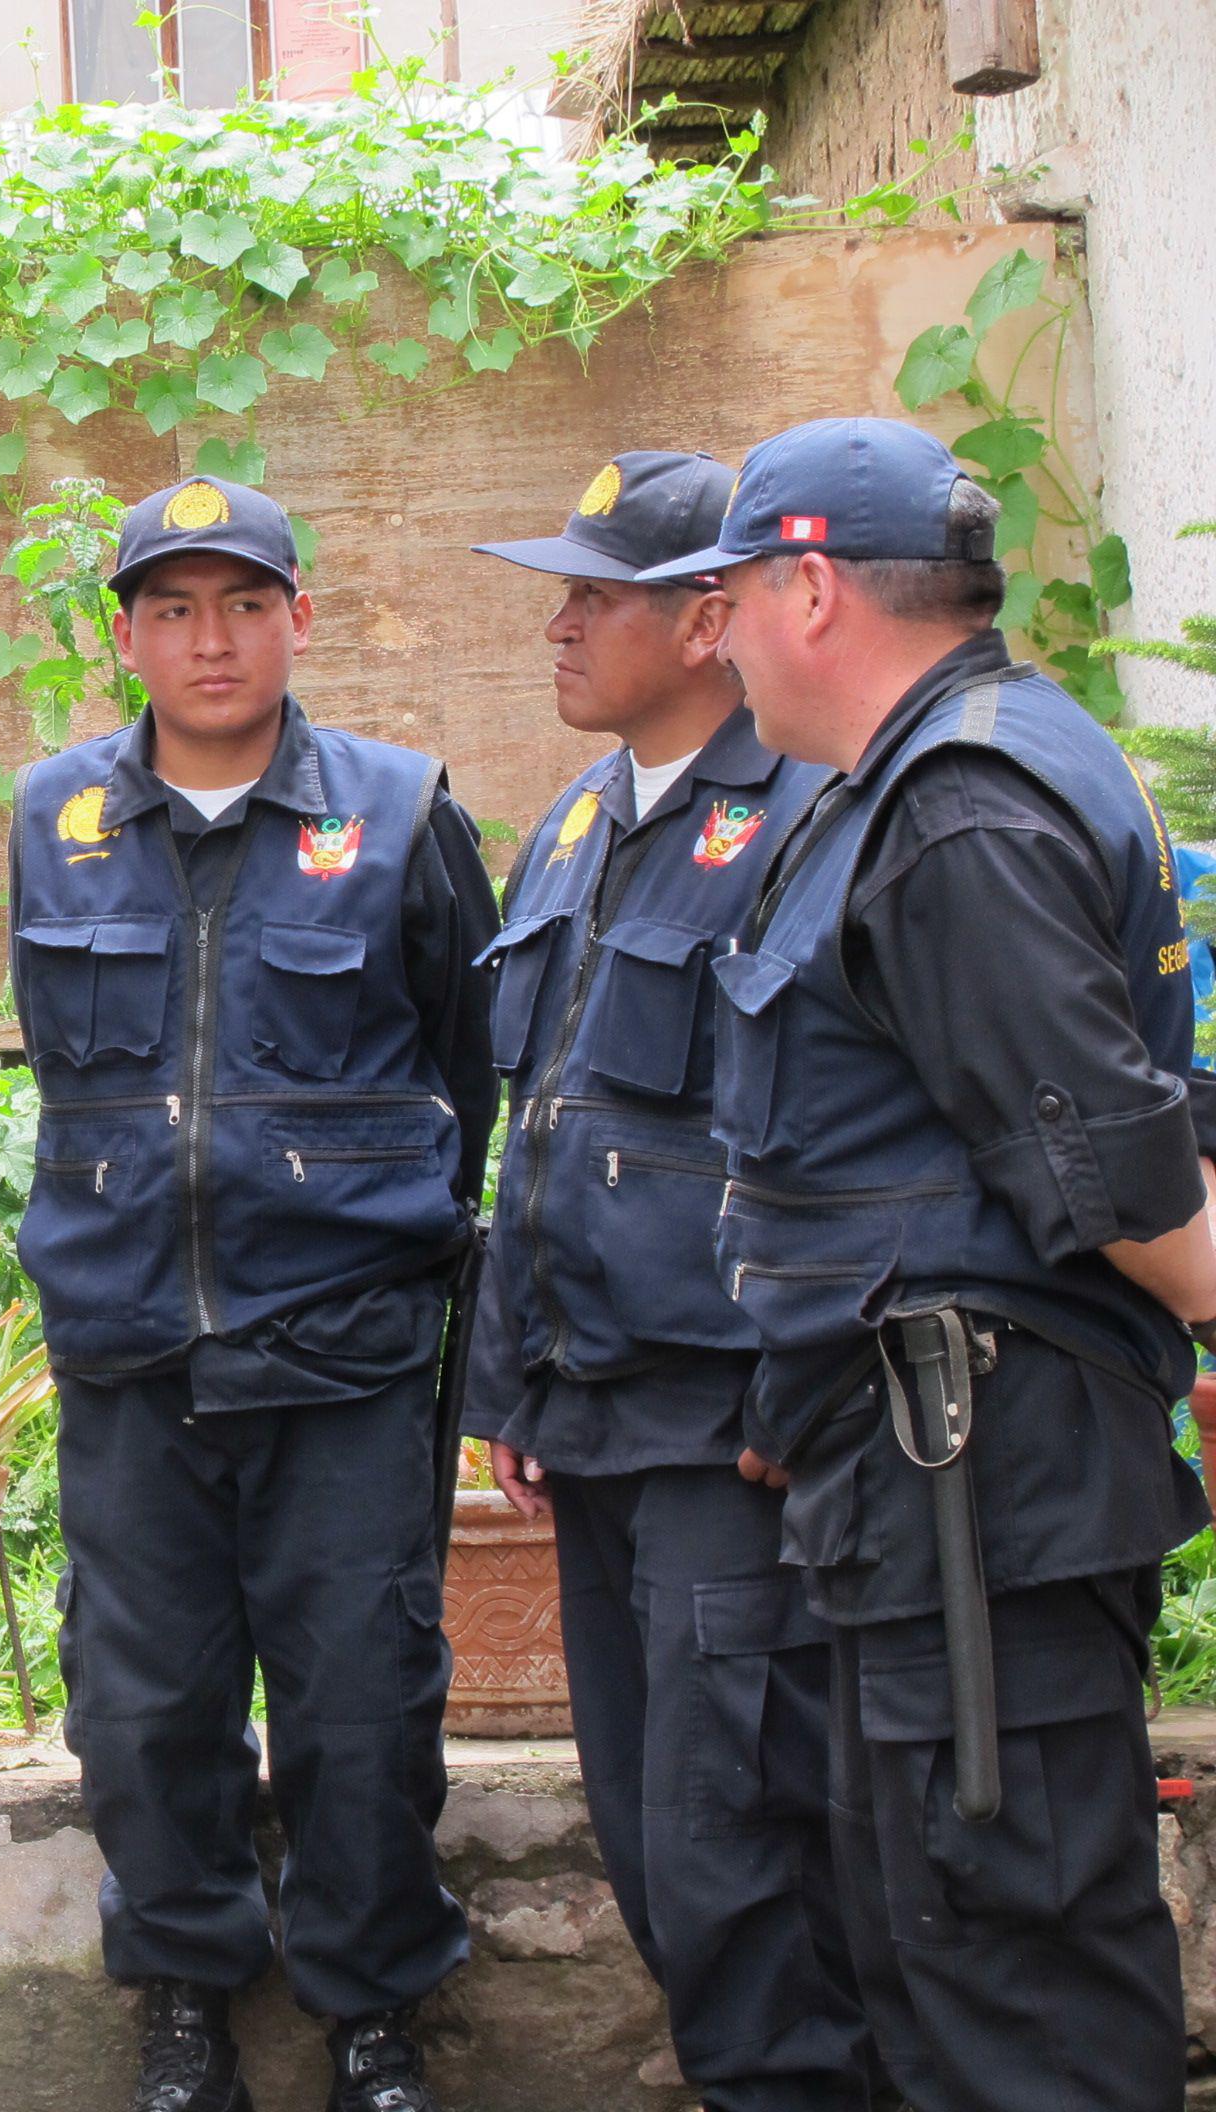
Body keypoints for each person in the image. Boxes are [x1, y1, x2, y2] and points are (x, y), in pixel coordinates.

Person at [637, 416, 1215, 2112]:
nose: (716, 633)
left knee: (1008, 1961)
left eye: (728, 593)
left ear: (810, 588)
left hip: (983, 1491)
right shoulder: (939, 769)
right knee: (940, 1947)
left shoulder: (955, 808)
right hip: (927, 1477)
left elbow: (1113, 1159)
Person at [9, 476, 500, 2112]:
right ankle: (185, 2002)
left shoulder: (403, 810)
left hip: (345, 1351)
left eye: (241, 605)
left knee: (363, 1700)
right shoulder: (55, 819)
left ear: (300, 617)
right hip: (131, 1349)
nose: (209, 642)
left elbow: (463, 1072)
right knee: (144, 1708)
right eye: (172, 609)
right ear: (128, 635)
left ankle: (372, 2013)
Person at [461, 453, 871, 2110]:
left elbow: (833, 1134)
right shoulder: (576, 820)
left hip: (727, 1428)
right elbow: (534, 1122)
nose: (557, 625)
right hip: (599, 1419)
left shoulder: (803, 817)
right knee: (647, 1835)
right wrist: (512, 1384)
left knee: (736, 1839)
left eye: (596, 596)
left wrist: (800, 1374)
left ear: (713, 619)